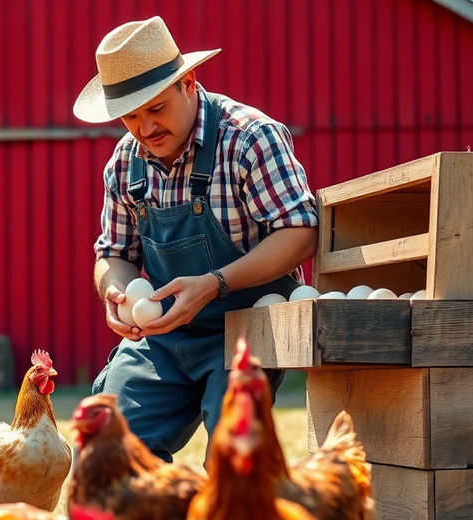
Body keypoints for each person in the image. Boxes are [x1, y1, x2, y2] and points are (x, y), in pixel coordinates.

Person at [74, 16, 319, 463]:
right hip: (165, 335)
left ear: (188, 82)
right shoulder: (125, 164)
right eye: (131, 116)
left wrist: (214, 283)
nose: (145, 129)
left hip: (248, 328)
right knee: (113, 452)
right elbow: (113, 253)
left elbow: (300, 233)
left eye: (156, 109)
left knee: (232, 466)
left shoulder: (249, 138)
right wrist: (114, 289)